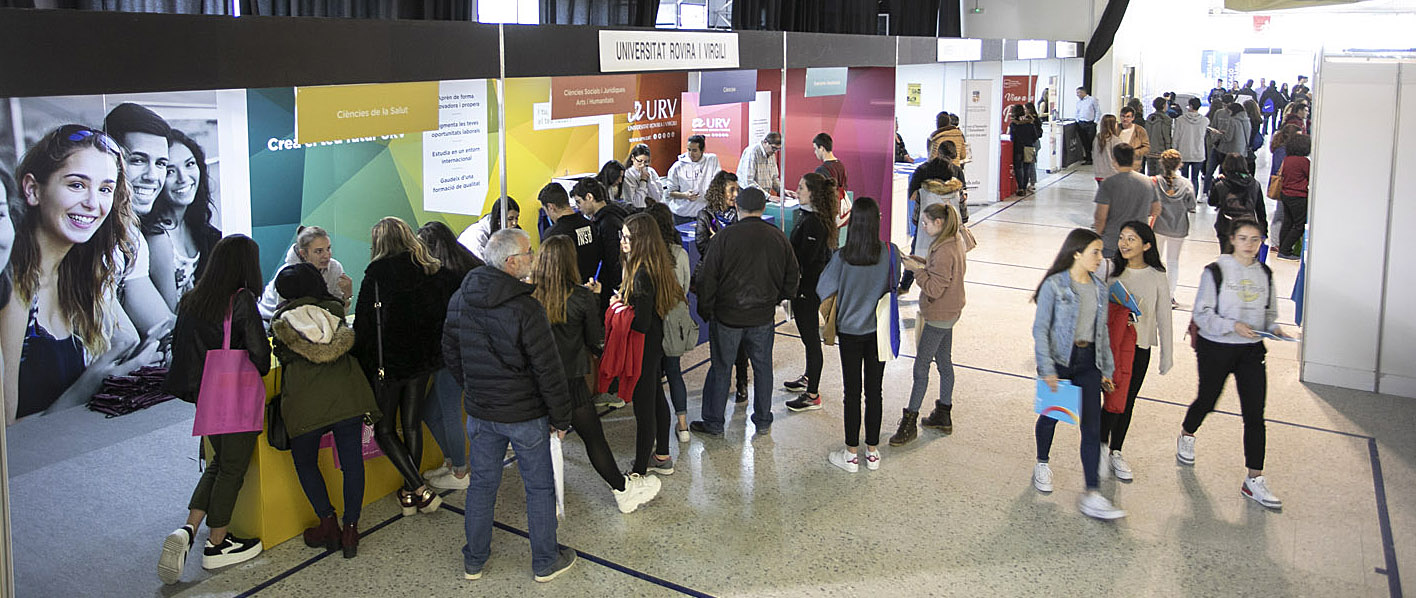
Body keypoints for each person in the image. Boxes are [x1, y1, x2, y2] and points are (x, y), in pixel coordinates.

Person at [443, 228, 577, 582]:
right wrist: (561, 417)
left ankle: (474, 559)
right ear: (511, 262)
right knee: (538, 487)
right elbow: (548, 369)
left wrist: (472, 388)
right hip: (524, 415)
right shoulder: (526, 308)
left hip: (480, 412)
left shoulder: (460, 298)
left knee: (482, 486)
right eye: (529, 253)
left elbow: (450, 352)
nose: (533, 258)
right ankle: (545, 560)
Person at [2, 125, 152, 425]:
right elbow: (7, 438)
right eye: (76, 185)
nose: (93, 203)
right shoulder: (14, 288)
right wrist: (91, 382)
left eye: (105, 189)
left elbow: (126, 341)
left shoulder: (83, 272)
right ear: (32, 189)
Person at [159, 234, 270, 582]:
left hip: (208, 395)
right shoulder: (241, 300)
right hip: (236, 396)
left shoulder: (194, 299)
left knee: (217, 461)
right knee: (232, 469)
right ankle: (217, 542)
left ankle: (189, 529)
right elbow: (261, 357)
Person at [530, 234, 662, 513]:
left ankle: (543, 501)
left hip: (536, 380)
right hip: (573, 379)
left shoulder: (529, 297)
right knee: (593, 438)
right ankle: (622, 489)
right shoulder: (581, 298)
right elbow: (594, 339)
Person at [1177, 218, 1290, 510]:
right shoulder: (1215, 271)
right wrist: (1231, 325)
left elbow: (1270, 312)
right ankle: (1187, 433)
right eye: (1243, 238)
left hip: (1251, 351)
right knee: (1208, 399)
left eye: (1255, 239)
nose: (1250, 245)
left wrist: (1273, 328)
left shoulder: (1265, 272)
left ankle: (1254, 478)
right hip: (1216, 347)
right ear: (1232, 240)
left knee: (1255, 414)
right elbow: (1201, 315)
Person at [269, 263, 381, 559]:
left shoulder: (281, 322)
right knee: (352, 462)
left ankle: (327, 523)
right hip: (347, 395)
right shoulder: (335, 310)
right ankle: (351, 529)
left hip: (304, 402)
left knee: (305, 462)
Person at [353, 217, 460, 516]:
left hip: (389, 364)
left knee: (384, 429)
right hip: (423, 360)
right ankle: (411, 492)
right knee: (411, 424)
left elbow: (363, 325)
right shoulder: (430, 268)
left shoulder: (376, 274)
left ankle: (418, 488)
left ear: (379, 242)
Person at [690, 187, 800, 437]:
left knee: (720, 367)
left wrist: (706, 309)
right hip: (762, 317)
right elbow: (792, 276)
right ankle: (762, 420)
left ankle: (714, 423)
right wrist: (777, 298)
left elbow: (708, 278)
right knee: (763, 369)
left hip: (728, 317)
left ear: (737, 207)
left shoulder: (724, 237)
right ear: (763, 208)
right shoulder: (778, 237)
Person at [1030, 228, 1124, 520]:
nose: (1100, 258)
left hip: (1089, 362)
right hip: (1061, 361)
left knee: (1092, 428)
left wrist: (1106, 369)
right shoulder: (1055, 286)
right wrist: (1047, 369)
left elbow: (1102, 333)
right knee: (1052, 416)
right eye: (1095, 252)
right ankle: (1042, 463)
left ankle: (1092, 493)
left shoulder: (1099, 288)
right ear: (1077, 254)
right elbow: (1040, 330)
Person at [817, 197, 899, 472]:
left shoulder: (842, 256)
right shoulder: (890, 252)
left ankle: (851, 454)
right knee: (875, 391)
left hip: (850, 332)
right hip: (878, 331)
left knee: (851, 392)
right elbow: (894, 284)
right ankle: (873, 452)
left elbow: (823, 288)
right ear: (876, 222)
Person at [890, 202, 974, 446]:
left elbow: (934, 288)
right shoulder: (953, 240)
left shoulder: (945, 249)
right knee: (944, 362)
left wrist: (917, 271)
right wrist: (922, 264)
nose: (923, 227)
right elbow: (940, 273)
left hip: (939, 314)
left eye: (925, 223)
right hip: (951, 310)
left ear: (939, 223)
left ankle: (909, 421)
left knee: (921, 366)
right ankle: (943, 412)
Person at [1099, 222, 1173, 481]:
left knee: (1126, 401)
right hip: (1110, 348)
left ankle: (1116, 451)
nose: (1124, 243)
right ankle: (1099, 446)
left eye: (1132, 239)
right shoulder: (1111, 270)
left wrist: (1167, 355)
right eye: (1122, 238)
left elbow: (1164, 317)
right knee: (1109, 399)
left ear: (1147, 245)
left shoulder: (1157, 276)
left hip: (1139, 349)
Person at [415, 221, 484, 490]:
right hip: (472, 350)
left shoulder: (437, 278)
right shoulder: (470, 266)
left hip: (448, 353)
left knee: (447, 410)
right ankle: (454, 463)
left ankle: (458, 471)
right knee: (432, 412)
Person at [616, 213, 681, 476]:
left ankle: (639, 470)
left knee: (644, 409)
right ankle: (662, 455)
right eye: (621, 236)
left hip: (643, 346)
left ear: (641, 240)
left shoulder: (641, 273)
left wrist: (619, 309)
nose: (622, 242)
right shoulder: (656, 264)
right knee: (656, 398)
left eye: (627, 238)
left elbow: (640, 323)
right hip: (654, 344)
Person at [105, 103, 176, 339]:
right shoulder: (85, 232)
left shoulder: (131, 236)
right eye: (138, 160)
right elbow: (125, 344)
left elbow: (164, 329)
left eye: (161, 164)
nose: (152, 176)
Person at [143, 130, 222, 311]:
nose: (183, 178)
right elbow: (171, 314)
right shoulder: (157, 236)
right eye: (170, 171)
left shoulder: (199, 228)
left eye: (190, 164)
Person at [693, 171, 752, 404]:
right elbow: (702, 246)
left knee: (740, 341)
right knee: (719, 339)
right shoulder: (705, 215)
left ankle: (742, 382)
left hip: (737, 284)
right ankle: (721, 382)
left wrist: (718, 239)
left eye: (737, 190)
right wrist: (724, 242)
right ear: (720, 191)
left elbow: (745, 248)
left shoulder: (740, 214)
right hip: (715, 284)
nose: (735, 195)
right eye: (731, 190)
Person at [783, 172, 839, 413]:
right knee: (808, 340)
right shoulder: (811, 218)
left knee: (810, 340)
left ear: (812, 193)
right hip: (805, 287)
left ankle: (812, 394)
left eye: (801, 187)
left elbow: (807, 260)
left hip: (808, 290)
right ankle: (808, 377)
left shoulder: (815, 223)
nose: (797, 190)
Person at [645, 203, 694, 442]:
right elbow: (685, 287)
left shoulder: (644, 255)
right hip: (674, 322)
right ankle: (683, 425)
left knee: (653, 380)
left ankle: (654, 430)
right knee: (675, 372)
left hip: (650, 325)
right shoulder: (680, 253)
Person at [257, 226, 353, 319]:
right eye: (319, 251)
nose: (326, 255)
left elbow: (339, 315)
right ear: (303, 253)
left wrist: (347, 296)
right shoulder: (288, 274)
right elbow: (283, 317)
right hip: (270, 321)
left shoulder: (335, 268)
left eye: (328, 248)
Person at [1093, 143, 1161, 259]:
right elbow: (1156, 210)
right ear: (1133, 159)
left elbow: (1101, 217)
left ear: (1114, 160)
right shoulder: (1148, 182)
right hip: (1138, 241)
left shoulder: (1108, 183)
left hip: (1113, 241)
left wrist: (1098, 237)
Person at [573, 177, 630, 313]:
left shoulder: (607, 223)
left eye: (579, 202)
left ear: (589, 197)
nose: (577, 207)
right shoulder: (614, 214)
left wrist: (617, 289)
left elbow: (614, 259)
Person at [1151, 150, 1197, 298]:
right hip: (1179, 228)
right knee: (1173, 261)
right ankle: (1169, 295)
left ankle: (1154, 290)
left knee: (1156, 260)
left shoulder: (1155, 182)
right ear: (1179, 164)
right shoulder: (1186, 184)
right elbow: (1192, 205)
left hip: (1159, 226)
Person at [540, 182, 599, 284]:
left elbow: (548, 270)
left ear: (551, 207)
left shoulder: (553, 234)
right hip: (592, 286)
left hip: (567, 291)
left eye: (546, 211)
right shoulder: (589, 225)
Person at [1209, 153, 1267, 254]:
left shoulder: (1221, 184)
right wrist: (1264, 231)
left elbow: (1212, 202)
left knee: (1226, 257)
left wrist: (1215, 182)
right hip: (1248, 225)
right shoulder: (1254, 184)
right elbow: (1260, 209)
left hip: (1226, 225)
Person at [665, 134, 721, 223]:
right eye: (689, 150)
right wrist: (685, 195)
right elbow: (670, 192)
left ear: (702, 150)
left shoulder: (712, 160)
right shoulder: (677, 167)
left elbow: (718, 183)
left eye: (694, 150)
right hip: (682, 214)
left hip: (704, 213)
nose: (691, 154)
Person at [1275, 133, 1311, 260]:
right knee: (1299, 225)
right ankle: (1285, 250)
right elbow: (1310, 176)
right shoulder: (1304, 161)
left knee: (1288, 222)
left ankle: (1282, 248)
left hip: (1285, 194)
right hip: (1298, 195)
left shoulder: (1287, 159)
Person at [458, 196, 520, 261]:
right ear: (498, 220)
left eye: (516, 218)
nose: (514, 223)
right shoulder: (477, 236)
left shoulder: (510, 232)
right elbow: (482, 267)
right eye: (510, 219)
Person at [1173, 98, 1210, 193]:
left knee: (1183, 178)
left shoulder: (1180, 120)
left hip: (1184, 153)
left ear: (1190, 106)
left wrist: (1174, 150)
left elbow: (1176, 138)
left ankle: (1183, 199)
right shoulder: (1205, 121)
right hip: (1198, 154)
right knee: (1195, 178)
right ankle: (1193, 200)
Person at [736, 132, 785, 197]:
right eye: (773, 148)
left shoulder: (771, 153)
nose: (775, 151)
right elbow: (748, 182)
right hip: (748, 195)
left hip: (763, 195)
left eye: (778, 149)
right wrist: (768, 196)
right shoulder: (752, 152)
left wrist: (783, 191)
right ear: (765, 142)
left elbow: (774, 178)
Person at [1008, 105, 1041, 195]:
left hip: (1018, 148)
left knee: (1018, 168)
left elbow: (1012, 137)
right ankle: (1024, 187)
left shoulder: (1013, 124)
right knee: (1026, 168)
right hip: (1029, 147)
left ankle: (1020, 187)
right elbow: (1035, 137)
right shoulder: (1029, 123)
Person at [622, 143, 663, 209]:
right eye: (640, 161)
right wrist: (643, 181)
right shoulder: (627, 175)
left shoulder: (651, 172)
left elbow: (658, 199)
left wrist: (649, 181)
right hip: (636, 213)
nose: (643, 165)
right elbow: (638, 204)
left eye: (646, 162)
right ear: (633, 158)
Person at [1143, 98, 1173, 175]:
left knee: (1151, 176)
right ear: (1163, 105)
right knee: (1161, 177)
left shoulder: (1149, 118)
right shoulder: (1166, 120)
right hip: (1160, 152)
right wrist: (1169, 151)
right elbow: (1166, 137)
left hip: (1149, 152)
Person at [1075, 88, 1101, 165]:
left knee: (1090, 141)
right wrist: (1077, 120)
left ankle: (1092, 157)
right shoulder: (1078, 102)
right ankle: (1088, 158)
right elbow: (1077, 112)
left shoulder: (1092, 100)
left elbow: (1098, 111)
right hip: (1081, 124)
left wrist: (1095, 122)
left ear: (1083, 92)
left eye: (1079, 93)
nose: (1077, 94)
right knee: (1084, 141)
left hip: (1090, 123)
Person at [1092, 114, 1122, 181]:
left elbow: (1093, 154)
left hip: (1098, 173)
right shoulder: (1115, 140)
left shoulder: (1097, 138)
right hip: (1113, 174)